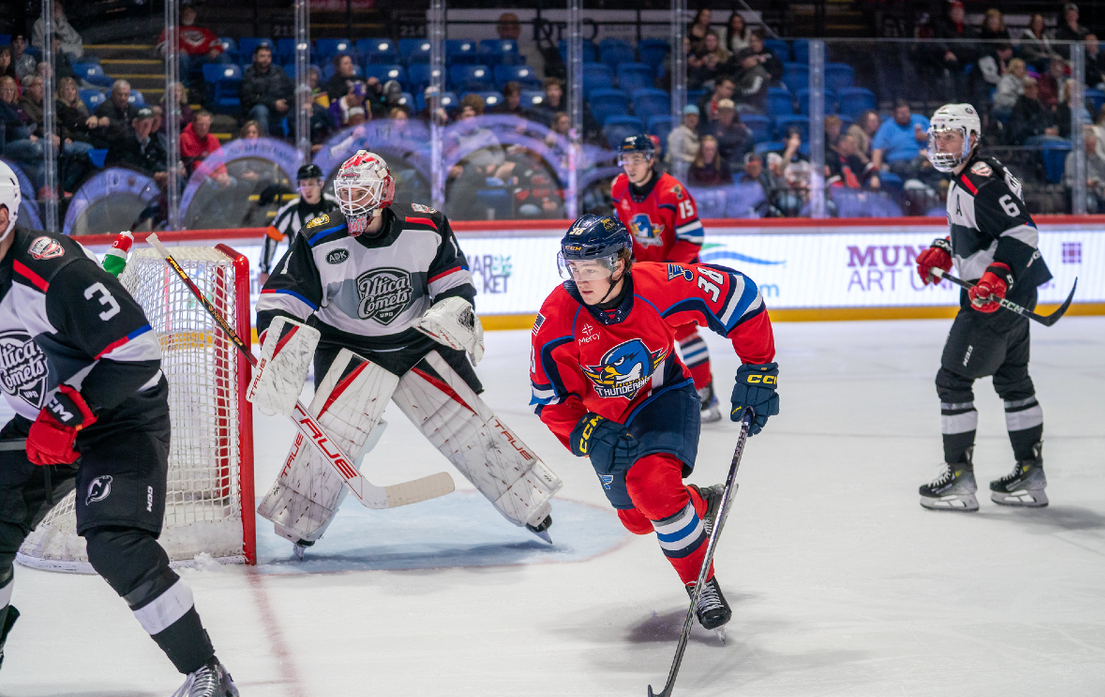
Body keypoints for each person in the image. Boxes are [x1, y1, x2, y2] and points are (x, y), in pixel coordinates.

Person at [0, 163, 244, 697]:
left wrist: (65, 412)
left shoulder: (52, 272)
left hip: (119, 416)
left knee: (114, 543)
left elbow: (137, 353)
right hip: (42, 418)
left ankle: (209, 677)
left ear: (11, 216)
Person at [254, 150, 558, 551]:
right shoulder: (318, 235)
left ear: (384, 192)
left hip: (418, 343)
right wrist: (277, 348)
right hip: (349, 348)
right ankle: (299, 526)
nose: (353, 203)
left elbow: (456, 285)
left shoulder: (426, 225)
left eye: (362, 192)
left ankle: (531, 506)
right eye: (347, 192)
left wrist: (453, 312)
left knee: (469, 428)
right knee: (334, 440)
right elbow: (280, 300)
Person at [529, 213, 778, 633]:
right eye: (574, 268)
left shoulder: (658, 286)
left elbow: (740, 296)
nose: (581, 278)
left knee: (652, 488)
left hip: (662, 398)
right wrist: (584, 433)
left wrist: (759, 367)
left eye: (591, 268)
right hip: (607, 420)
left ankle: (701, 583)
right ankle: (698, 503)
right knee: (639, 519)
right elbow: (550, 398)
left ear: (621, 262)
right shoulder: (557, 316)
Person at [914, 103, 1053, 512]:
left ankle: (958, 477)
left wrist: (997, 276)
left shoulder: (980, 180)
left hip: (996, 299)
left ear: (972, 139)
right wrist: (944, 250)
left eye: (950, 136)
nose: (941, 144)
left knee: (952, 380)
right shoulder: (968, 176)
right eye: (937, 136)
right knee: (1013, 380)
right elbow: (981, 229)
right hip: (1014, 292)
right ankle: (1031, 474)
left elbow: (1023, 232)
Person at [610, 133, 721, 422]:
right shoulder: (619, 187)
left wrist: (669, 271)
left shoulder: (673, 192)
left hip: (676, 273)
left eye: (636, 159)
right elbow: (623, 233)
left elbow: (693, 238)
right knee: (639, 334)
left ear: (650, 159)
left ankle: (705, 392)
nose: (630, 166)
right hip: (643, 274)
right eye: (626, 159)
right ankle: (649, 398)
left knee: (683, 331)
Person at [258, 163, 337, 279]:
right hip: (300, 273)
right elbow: (271, 237)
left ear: (321, 183)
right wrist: (264, 270)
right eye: (303, 185)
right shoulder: (290, 210)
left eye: (311, 184)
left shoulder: (334, 206)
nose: (307, 190)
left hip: (331, 268)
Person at [239, 43, 293, 136]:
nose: (266, 59)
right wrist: (273, 104)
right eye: (262, 56)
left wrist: (287, 101)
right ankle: (264, 145)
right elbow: (249, 99)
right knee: (261, 110)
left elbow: (290, 89)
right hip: (257, 112)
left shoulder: (279, 73)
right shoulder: (248, 76)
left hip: (279, 110)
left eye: (268, 56)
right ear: (254, 57)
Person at [870, 100, 930, 178]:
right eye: (901, 113)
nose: (905, 116)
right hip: (898, 165)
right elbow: (877, 150)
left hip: (924, 160)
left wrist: (927, 136)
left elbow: (940, 138)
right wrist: (875, 175)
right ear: (893, 114)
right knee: (900, 167)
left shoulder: (921, 120)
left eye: (906, 112)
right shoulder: (887, 127)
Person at [1064, 126, 1105, 213]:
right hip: (1080, 194)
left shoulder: (1103, 160)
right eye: (1088, 145)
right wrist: (1083, 183)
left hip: (1099, 192)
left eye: (1093, 145)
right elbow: (1068, 182)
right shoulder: (1072, 158)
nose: (1091, 148)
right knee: (1090, 203)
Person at [496, 12, 544, 78]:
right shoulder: (490, 54)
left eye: (514, 28)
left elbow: (537, 77)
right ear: (499, 30)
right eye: (505, 28)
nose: (510, 33)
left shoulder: (531, 52)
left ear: (519, 30)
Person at [710, 98, 752, 169]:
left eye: (729, 112)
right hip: (718, 168)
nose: (726, 115)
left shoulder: (740, 129)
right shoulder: (712, 128)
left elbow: (749, 144)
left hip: (738, 166)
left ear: (733, 114)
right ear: (718, 113)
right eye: (723, 112)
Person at [667, 104, 702, 178]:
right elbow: (674, 155)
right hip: (677, 169)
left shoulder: (697, 134)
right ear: (683, 118)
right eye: (689, 116)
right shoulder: (677, 133)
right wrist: (694, 160)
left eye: (694, 116)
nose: (692, 119)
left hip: (692, 168)